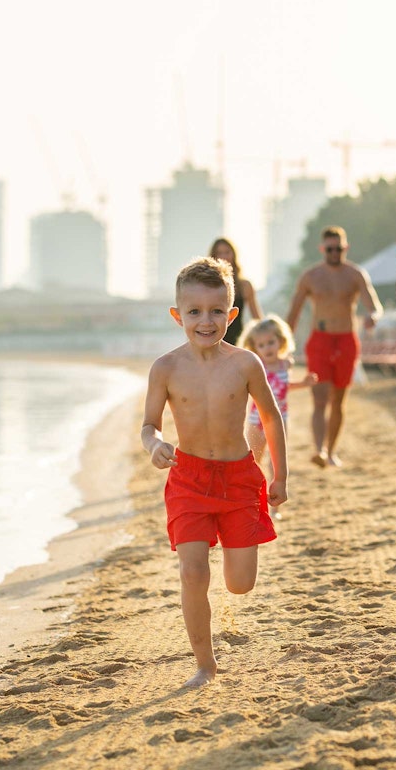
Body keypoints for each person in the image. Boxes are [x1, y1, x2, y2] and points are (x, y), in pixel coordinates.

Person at [141, 256, 287, 688]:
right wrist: (154, 444)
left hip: (239, 479)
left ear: (232, 313)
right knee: (193, 572)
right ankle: (205, 665)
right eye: (194, 312)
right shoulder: (165, 368)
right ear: (177, 315)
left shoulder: (245, 364)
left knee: (240, 584)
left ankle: (229, 544)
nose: (206, 321)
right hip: (189, 479)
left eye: (217, 311)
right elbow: (149, 424)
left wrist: (280, 476)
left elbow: (272, 417)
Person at [286, 225, 383, 468]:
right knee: (319, 398)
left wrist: (373, 316)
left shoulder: (355, 274)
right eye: (330, 249)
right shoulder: (310, 277)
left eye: (338, 249)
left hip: (346, 339)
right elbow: (293, 313)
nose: (334, 253)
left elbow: (374, 304)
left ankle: (331, 451)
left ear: (345, 247)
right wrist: (284, 343)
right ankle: (319, 450)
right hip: (320, 340)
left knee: (338, 400)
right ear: (322, 249)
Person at [239, 315, 318, 499]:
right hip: (256, 419)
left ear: (281, 341)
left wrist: (304, 383)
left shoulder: (285, 364)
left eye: (271, 342)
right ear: (253, 347)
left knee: (276, 463)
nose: (267, 348)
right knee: (253, 460)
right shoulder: (255, 366)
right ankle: (253, 496)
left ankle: (274, 500)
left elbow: (284, 386)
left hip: (280, 420)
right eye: (261, 345)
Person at [209, 237, 263, 345]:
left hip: (237, 342)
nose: (223, 256)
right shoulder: (206, 286)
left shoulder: (245, 285)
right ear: (213, 256)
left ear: (233, 255)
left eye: (227, 252)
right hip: (212, 339)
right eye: (219, 253)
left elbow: (257, 319)